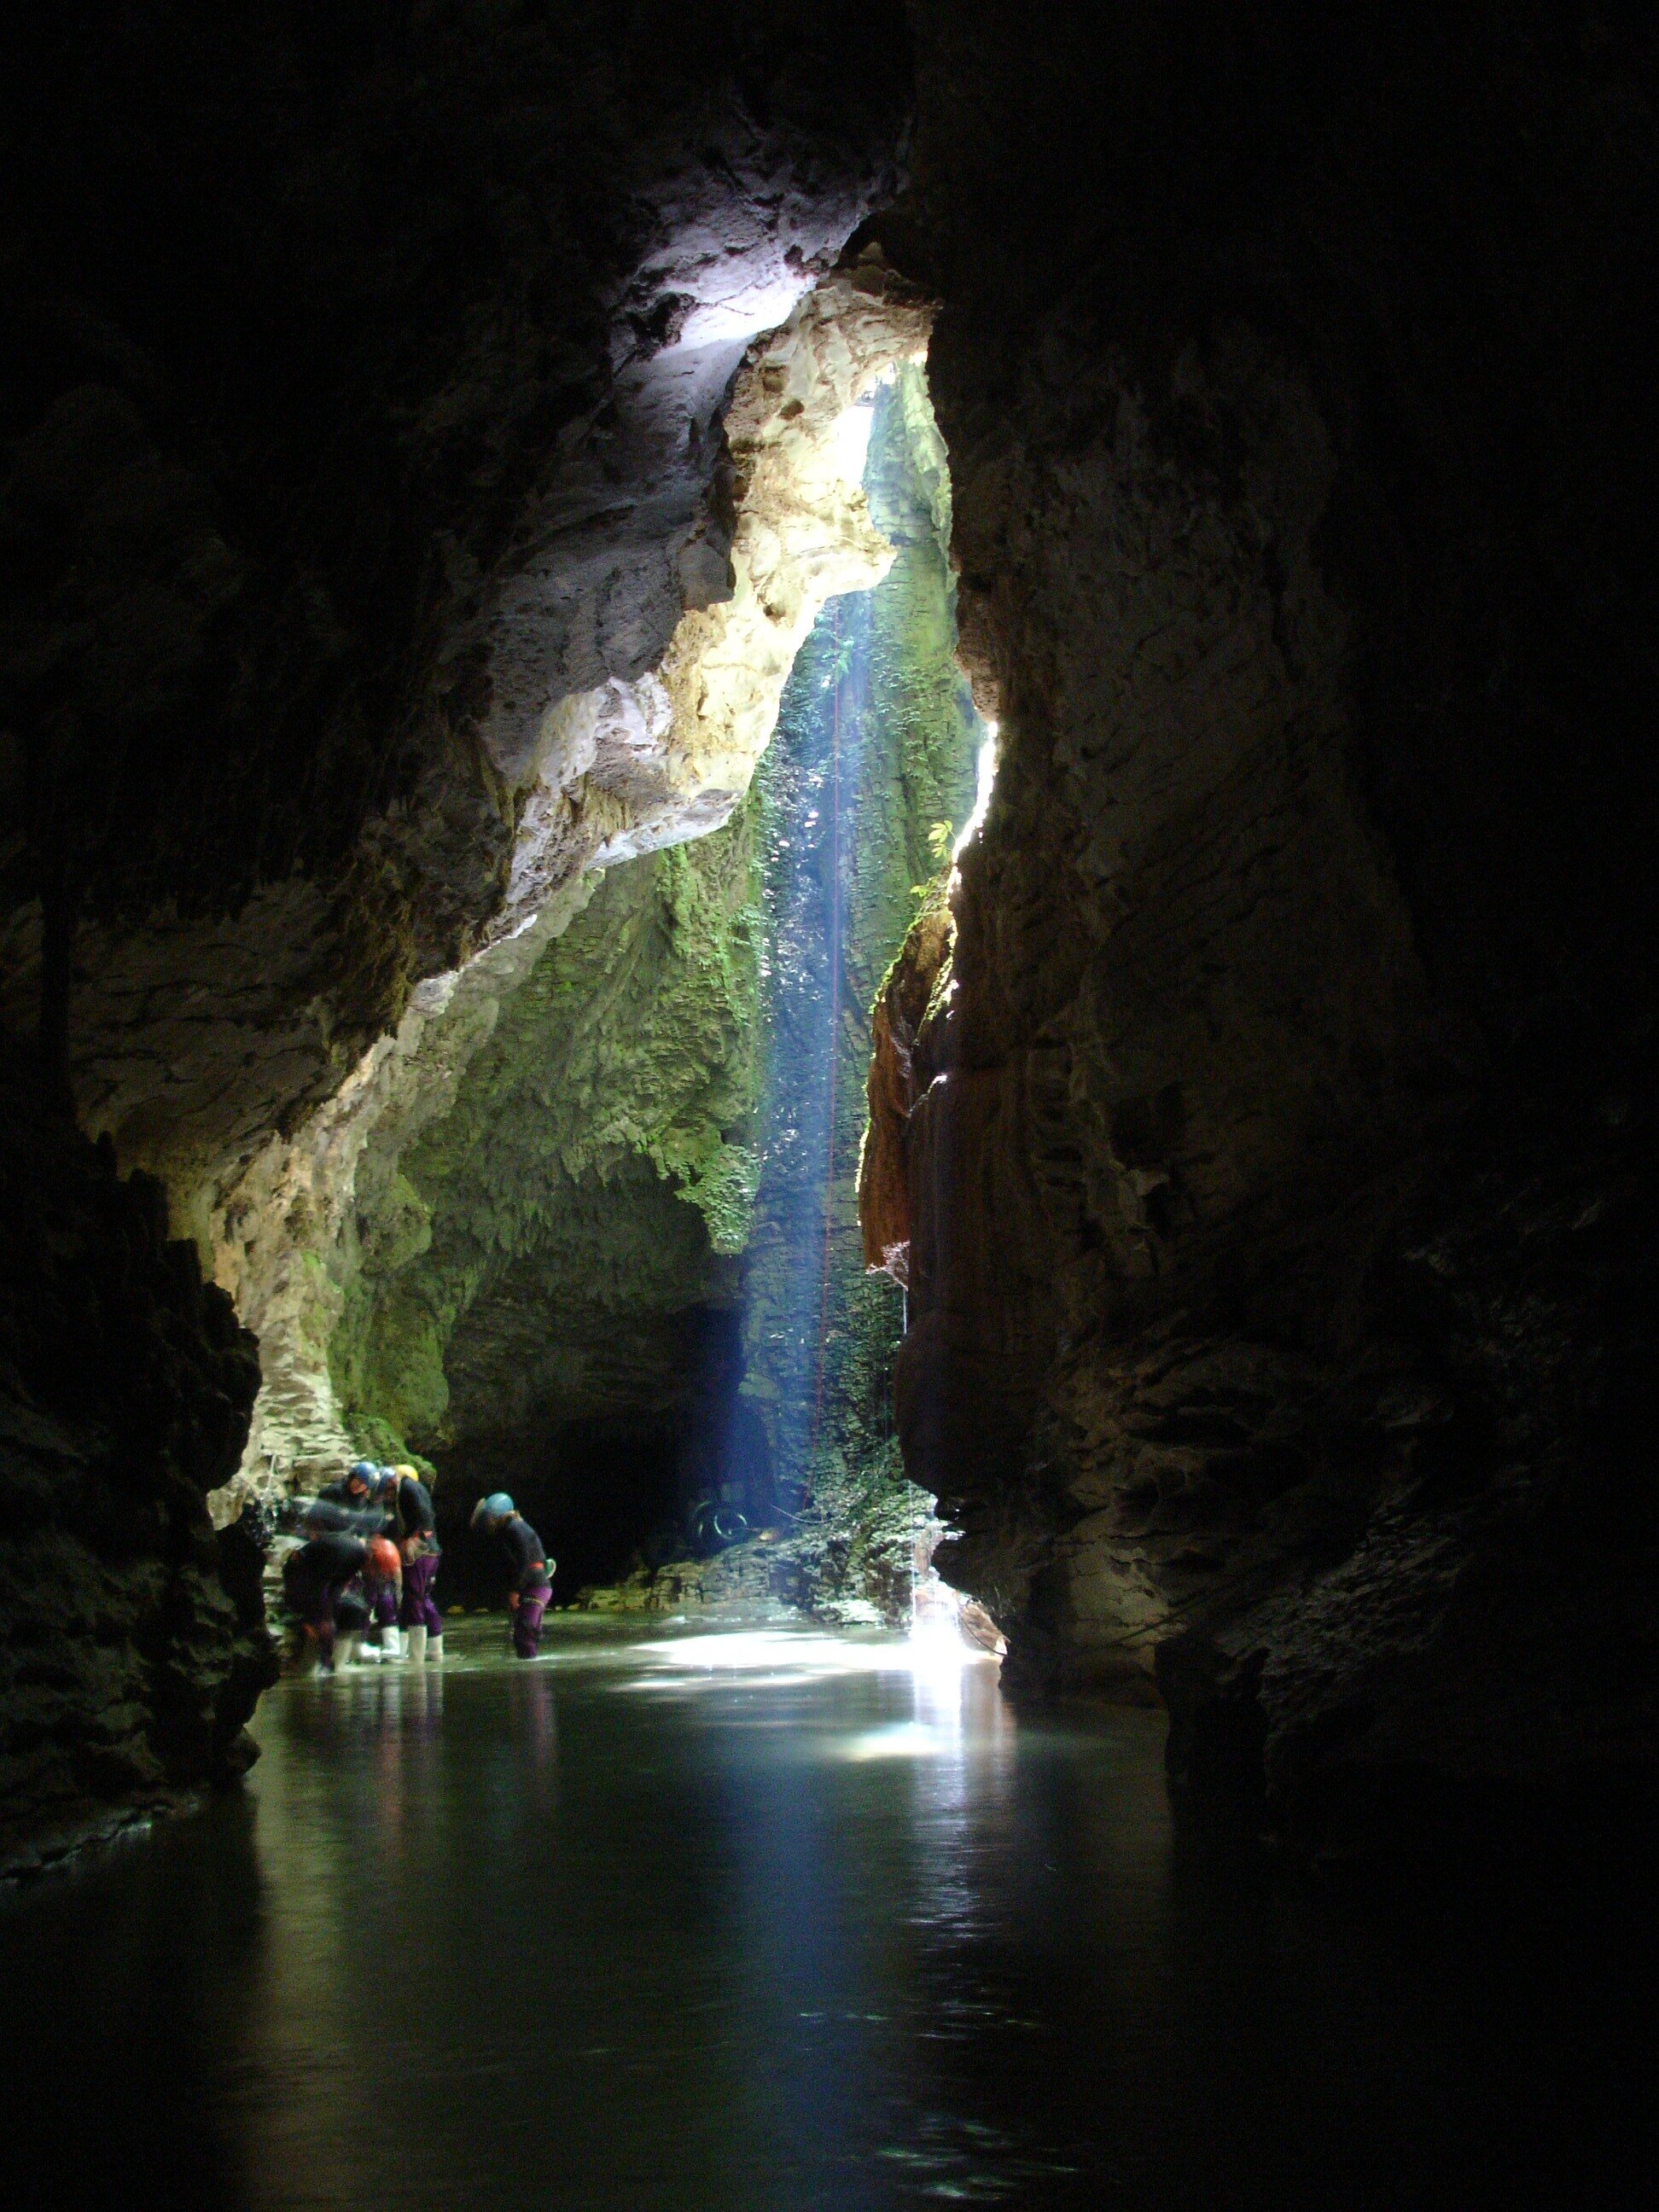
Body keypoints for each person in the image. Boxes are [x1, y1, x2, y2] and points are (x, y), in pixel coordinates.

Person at [282, 1532, 401, 1674]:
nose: (373, 1575)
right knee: (320, 1625)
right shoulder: (348, 1553)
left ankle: (333, 1666)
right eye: (376, 1572)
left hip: (316, 1582)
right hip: (298, 1574)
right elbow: (318, 1584)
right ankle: (308, 1668)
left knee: (352, 1610)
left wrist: (329, 1614)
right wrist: (321, 1619)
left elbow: (338, 1586)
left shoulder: (357, 1558)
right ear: (372, 1560)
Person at [469, 1493, 555, 1657]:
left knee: (524, 1631)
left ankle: (530, 1676)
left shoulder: (513, 1528)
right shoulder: (512, 1529)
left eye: (488, 1518)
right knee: (524, 1632)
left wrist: (515, 1591)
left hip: (535, 1585)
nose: (487, 1523)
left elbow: (524, 1561)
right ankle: (530, 1671)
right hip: (534, 1584)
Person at [390, 1463, 444, 1663]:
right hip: (432, 1551)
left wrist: (410, 1536)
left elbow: (423, 1516)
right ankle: (435, 1650)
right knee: (424, 1597)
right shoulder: (419, 1489)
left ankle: (416, 1656)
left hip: (420, 1551)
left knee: (413, 1598)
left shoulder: (408, 1487)